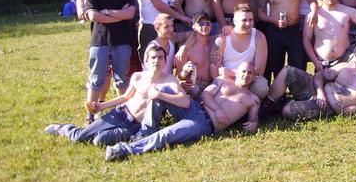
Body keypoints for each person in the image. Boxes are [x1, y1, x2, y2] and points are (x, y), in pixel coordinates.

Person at [104, 61, 260, 161]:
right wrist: (218, 109)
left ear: (254, 77)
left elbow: (253, 120)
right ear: (237, 72)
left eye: (250, 73)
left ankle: (123, 150)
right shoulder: (222, 81)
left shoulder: (253, 99)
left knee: (166, 134)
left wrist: (254, 123)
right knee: (163, 90)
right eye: (243, 71)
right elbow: (205, 95)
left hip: (203, 124)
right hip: (195, 107)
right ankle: (147, 131)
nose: (246, 75)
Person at [45, 45, 188, 145]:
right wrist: (102, 106)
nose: (157, 61)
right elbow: (125, 97)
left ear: (165, 61)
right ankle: (64, 129)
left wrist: (160, 95)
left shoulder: (169, 80)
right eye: (153, 58)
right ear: (147, 60)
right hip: (120, 113)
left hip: (133, 126)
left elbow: (185, 102)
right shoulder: (138, 76)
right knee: (81, 137)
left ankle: (102, 135)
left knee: (99, 141)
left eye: (160, 58)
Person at [262, 44, 356, 120]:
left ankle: (281, 105)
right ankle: (266, 106)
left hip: (327, 107)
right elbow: (320, 75)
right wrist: (320, 92)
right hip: (318, 92)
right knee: (287, 71)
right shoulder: (344, 67)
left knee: (287, 110)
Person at [83, 0, 137, 122]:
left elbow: (131, 13)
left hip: (122, 41)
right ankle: (91, 115)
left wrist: (106, 12)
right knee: (96, 79)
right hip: (100, 42)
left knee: (121, 80)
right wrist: (119, 15)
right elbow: (93, 16)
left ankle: (124, 113)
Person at [258, 0, 318, 80]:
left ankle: (298, 90)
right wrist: (274, 21)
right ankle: (277, 91)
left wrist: (313, 12)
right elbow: (260, 13)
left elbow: (312, 1)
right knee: (275, 65)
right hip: (274, 31)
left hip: (294, 31)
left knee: (298, 64)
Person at [210, 3, 269, 99]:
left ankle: (254, 105)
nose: (248, 23)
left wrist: (234, 73)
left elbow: (259, 70)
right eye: (244, 20)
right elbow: (214, 69)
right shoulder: (223, 39)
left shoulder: (259, 37)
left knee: (261, 86)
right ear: (235, 21)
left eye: (250, 20)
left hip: (249, 79)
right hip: (227, 80)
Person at [174, 11, 214, 98]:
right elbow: (178, 76)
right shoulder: (188, 49)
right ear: (194, 26)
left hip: (211, 87)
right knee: (194, 90)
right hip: (193, 87)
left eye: (207, 24)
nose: (205, 26)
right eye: (201, 24)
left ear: (211, 26)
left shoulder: (215, 44)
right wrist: (184, 71)